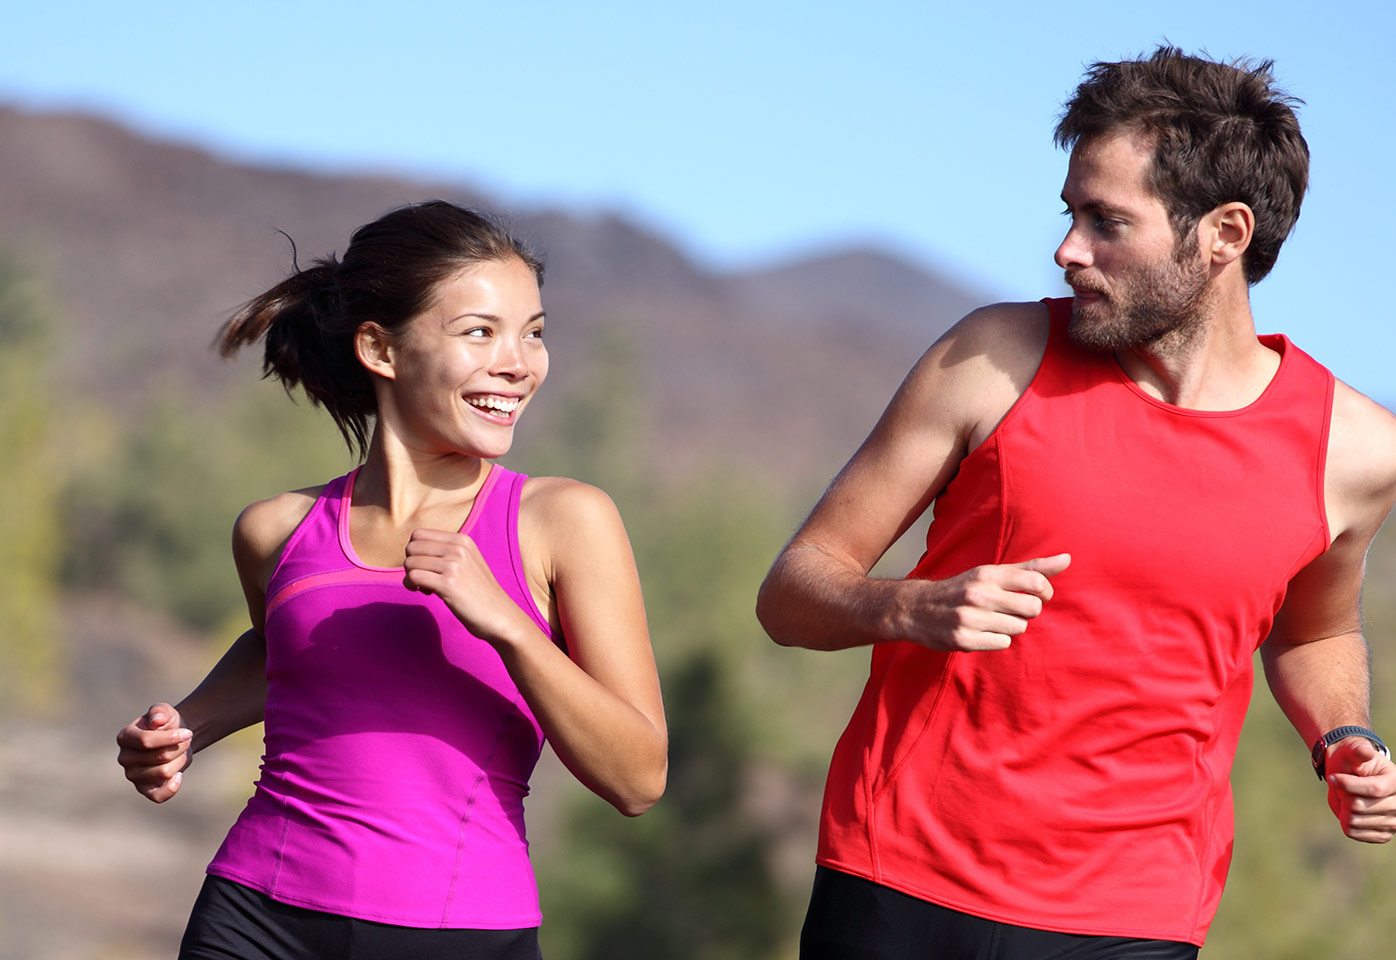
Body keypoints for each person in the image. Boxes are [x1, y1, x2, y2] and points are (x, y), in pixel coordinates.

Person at [756, 47, 1396, 959]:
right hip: (897, 878)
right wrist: (908, 604)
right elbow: (792, 591)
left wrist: (1343, 736)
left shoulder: (1358, 450)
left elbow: (1313, 631)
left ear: (1225, 233)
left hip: (1134, 916)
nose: (1067, 250)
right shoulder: (988, 360)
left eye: (1107, 222)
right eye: (1070, 214)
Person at [115, 201, 667, 960]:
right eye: (481, 331)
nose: (520, 362)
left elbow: (638, 777)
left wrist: (507, 626)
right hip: (255, 918)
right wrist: (185, 728)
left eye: (534, 333)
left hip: (460, 933)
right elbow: (291, 653)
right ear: (380, 348)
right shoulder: (276, 530)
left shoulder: (564, 520)